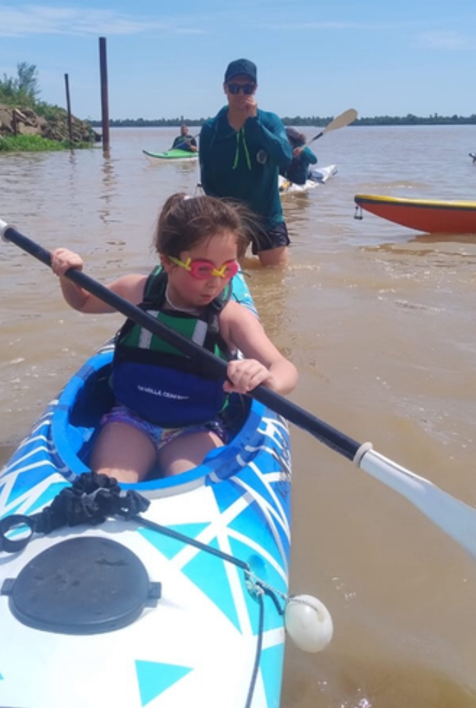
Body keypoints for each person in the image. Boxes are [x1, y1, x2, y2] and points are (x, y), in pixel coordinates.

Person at [50, 193, 298, 484]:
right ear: (167, 262)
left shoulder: (231, 317)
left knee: (197, 488)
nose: (215, 281)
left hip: (196, 427)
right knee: (108, 483)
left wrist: (267, 379)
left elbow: (283, 367)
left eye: (227, 269)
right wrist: (69, 277)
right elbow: (83, 302)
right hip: (131, 419)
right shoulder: (137, 292)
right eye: (203, 269)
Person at [199, 58, 293, 267]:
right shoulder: (211, 129)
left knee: (277, 280)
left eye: (247, 88)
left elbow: (285, 157)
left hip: (268, 216)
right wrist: (222, 216)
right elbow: (207, 180)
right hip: (229, 220)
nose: (240, 94)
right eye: (234, 88)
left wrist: (254, 124)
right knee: (228, 279)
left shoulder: (270, 121)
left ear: (255, 89)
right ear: (225, 89)